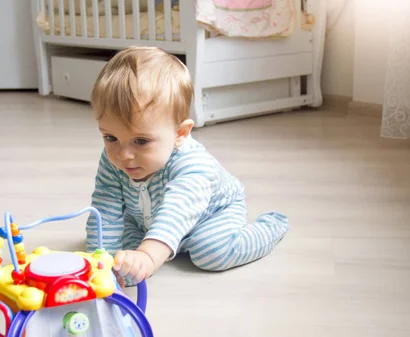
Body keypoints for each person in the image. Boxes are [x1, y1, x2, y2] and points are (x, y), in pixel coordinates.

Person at [85, 46, 289, 287]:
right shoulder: (114, 157)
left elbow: (176, 211)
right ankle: (157, 245)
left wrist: (148, 256)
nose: (124, 154)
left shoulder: (193, 165)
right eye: (110, 137)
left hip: (210, 214)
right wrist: (101, 263)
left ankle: (271, 227)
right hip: (145, 218)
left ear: (180, 133)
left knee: (211, 253)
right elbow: (105, 207)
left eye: (140, 141)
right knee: (121, 256)